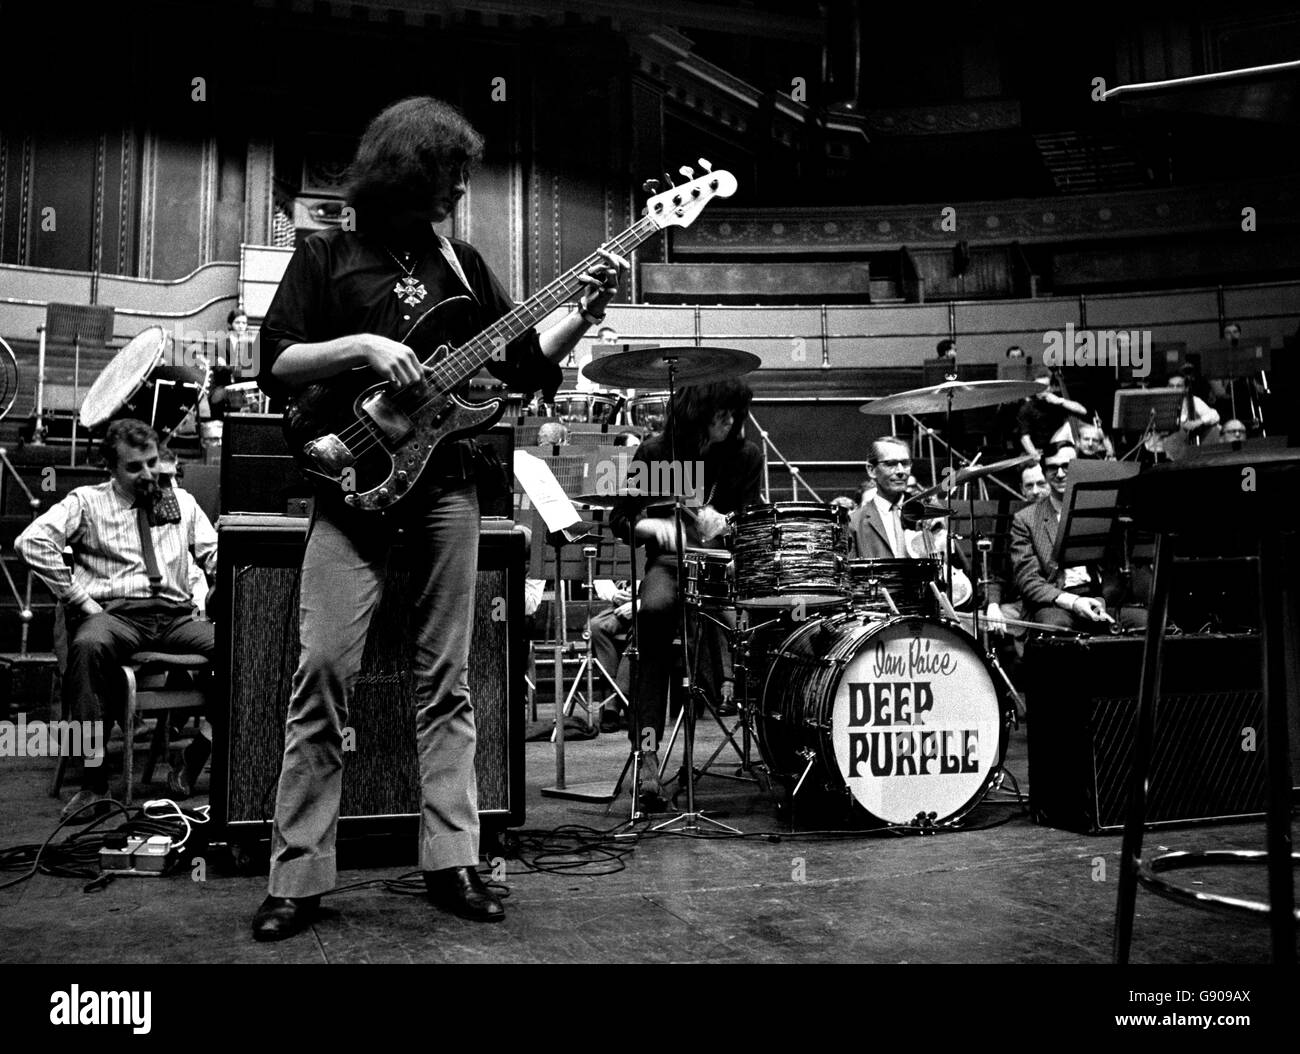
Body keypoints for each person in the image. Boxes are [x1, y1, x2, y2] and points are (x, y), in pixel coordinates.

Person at [250, 96, 627, 939]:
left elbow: (525, 365)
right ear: (408, 170)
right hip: (348, 492)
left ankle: (452, 862)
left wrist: (583, 315)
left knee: (446, 685)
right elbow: (276, 362)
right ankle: (297, 876)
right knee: (322, 672)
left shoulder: (464, 263)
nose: (460, 188)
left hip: (450, 485)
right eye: (449, 173)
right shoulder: (325, 255)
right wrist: (364, 348)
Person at [15, 419, 217, 821]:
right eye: (134, 467)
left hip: (175, 617)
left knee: (242, 645)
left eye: (152, 462)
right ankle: (94, 785)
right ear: (111, 467)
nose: (147, 474)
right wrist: (80, 600)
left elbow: (213, 552)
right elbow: (31, 542)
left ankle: (198, 753)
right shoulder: (87, 502)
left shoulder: (181, 501)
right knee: (88, 646)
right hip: (119, 616)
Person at [609, 380, 762, 808]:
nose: (730, 421)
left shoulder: (745, 456)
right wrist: (650, 527)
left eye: (735, 414)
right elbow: (621, 519)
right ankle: (648, 753)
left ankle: (733, 705)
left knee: (746, 625)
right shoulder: (657, 453)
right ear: (697, 414)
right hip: (669, 565)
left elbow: (750, 521)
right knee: (653, 616)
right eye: (721, 414)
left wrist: (728, 527)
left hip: (720, 567)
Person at [1008, 441, 1147, 634]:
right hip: (1056, 603)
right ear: (1043, 470)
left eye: (1067, 466)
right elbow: (1028, 581)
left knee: (1146, 622)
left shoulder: (1103, 508)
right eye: (1052, 467)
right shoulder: (1025, 519)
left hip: (1102, 597)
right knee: (1055, 628)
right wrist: (1073, 602)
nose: (1060, 474)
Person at [847, 437, 913, 560]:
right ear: (871, 470)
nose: (900, 471)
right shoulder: (854, 523)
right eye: (890, 464)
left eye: (905, 463)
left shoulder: (926, 513)